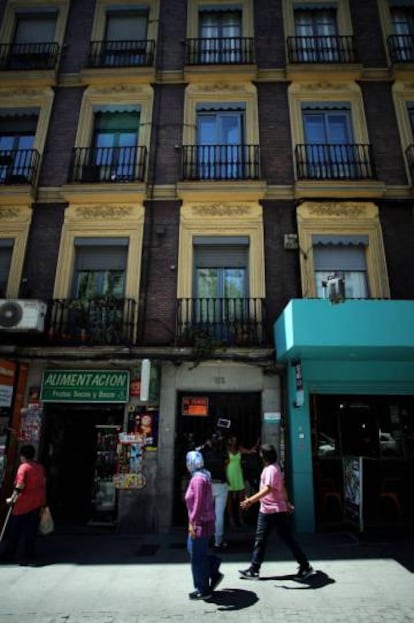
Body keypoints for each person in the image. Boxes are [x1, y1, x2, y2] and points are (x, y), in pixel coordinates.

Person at [238, 443, 313, 580]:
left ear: (263, 455)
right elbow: (282, 487)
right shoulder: (273, 467)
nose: (259, 454)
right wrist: (287, 503)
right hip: (268, 509)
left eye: (260, 453)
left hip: (274, 511)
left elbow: (268, 489)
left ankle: (305, 566)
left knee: (284, 539)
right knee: (262, 540)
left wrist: (250, 501)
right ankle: (254, 569)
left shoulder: (272, 469)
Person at [184, 450, 224, 600]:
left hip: (200, 523)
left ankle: (203, 589)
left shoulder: (198, 479)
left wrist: (193, 523)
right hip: (203, 522)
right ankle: (213, 568)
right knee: (195, 551)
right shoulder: (202, 475)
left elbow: (198, 503)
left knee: (197, 557)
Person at [1, 444, 46, 566]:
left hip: (23, 503)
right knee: (31, 530)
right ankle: (29, 553)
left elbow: (20, 485)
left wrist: (12, 498)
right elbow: (43, 483)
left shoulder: (23, 467)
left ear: (22, 456)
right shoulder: (39, 467)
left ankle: (10, 553)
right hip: (36, 502)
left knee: (14, 530)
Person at [201, 433, 229, 551]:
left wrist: (206, 445)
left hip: (208, 484)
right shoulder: (223, 454)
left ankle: (205, 538)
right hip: (221, 484)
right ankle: (218, 541)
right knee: (219, 514)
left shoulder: (204, 454)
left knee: (207, 512)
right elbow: (226, 465)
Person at [226, 435, 257, 528]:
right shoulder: (226, 449)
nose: (234, 440)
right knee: (230, 499)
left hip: (238, 475)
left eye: (235, 439)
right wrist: (226, 478)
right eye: (232, 439)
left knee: (241, 499)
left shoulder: (239, 449)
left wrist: (257, 444)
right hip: (230, 475)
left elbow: (250, 451)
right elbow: (224, 465)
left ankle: (240, 519)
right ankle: (231, 519)